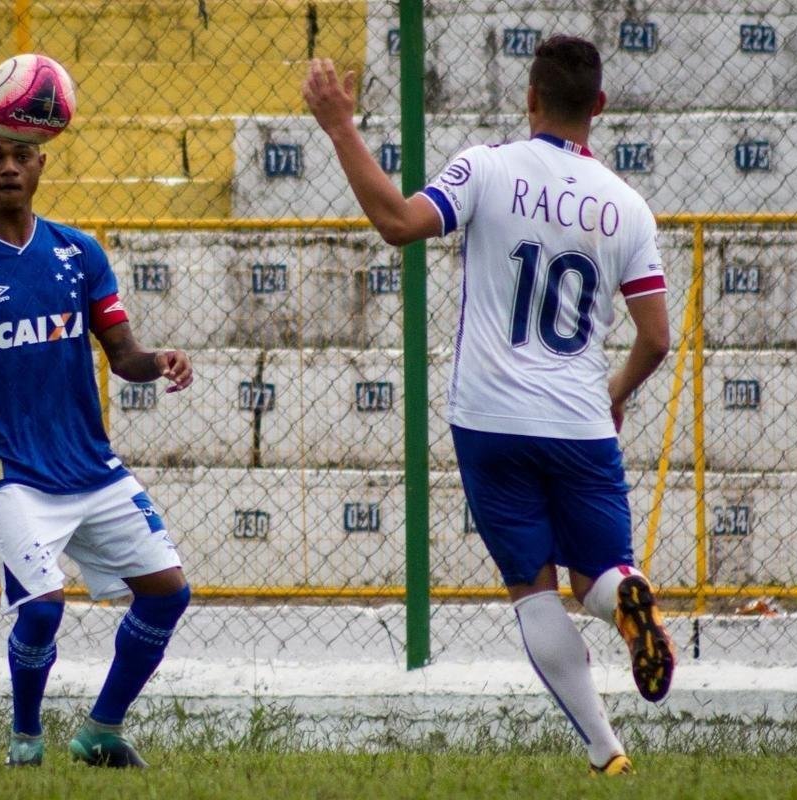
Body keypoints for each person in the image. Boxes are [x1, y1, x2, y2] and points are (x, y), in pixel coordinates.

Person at [303, 35, 675, 774]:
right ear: (598, 107)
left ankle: (607, 753)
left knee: (533, 591)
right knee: (596, 573)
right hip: (577, 418)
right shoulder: (628, 208)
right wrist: (613, 395)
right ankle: (627, 595)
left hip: (490, 419)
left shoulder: (488, 166)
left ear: (530, 99)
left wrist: (342, 128)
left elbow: (400, 224)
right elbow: (656, 338)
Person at [0, 118, 194, 769]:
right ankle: (25, 740)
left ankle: (101, 729)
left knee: (169, 591)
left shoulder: (80, 253)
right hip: (8, 469)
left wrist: (158, 359)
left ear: (41, 164)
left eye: (21, 156)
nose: (9, 168)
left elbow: (122, 354)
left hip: (89, 464)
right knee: (43, 608)